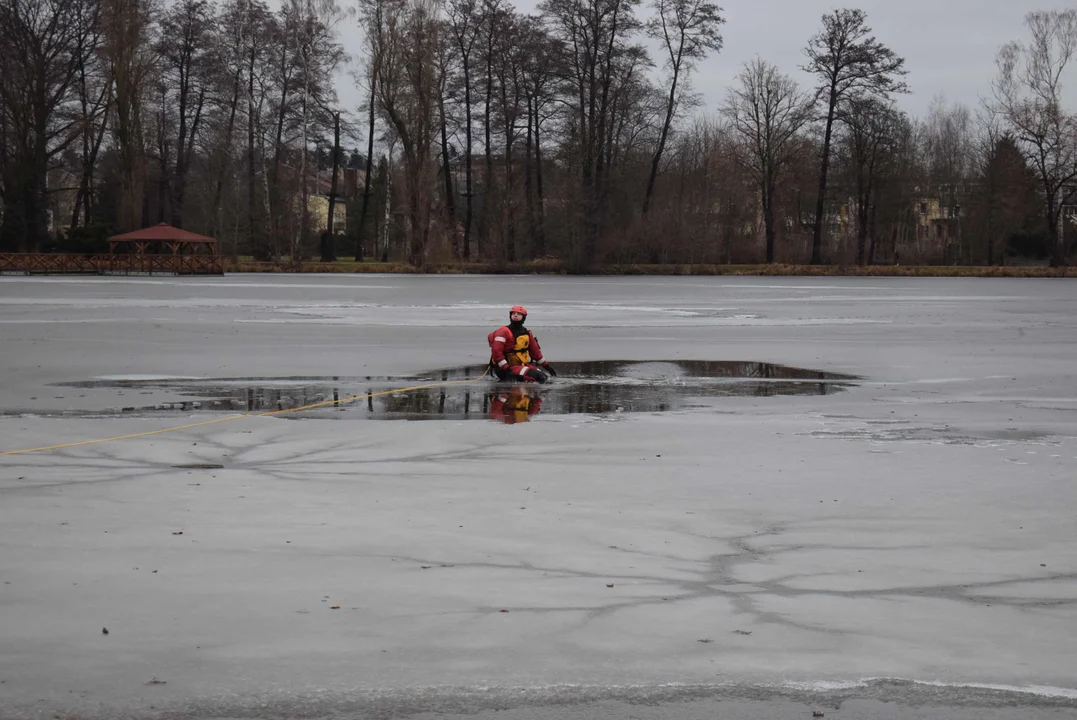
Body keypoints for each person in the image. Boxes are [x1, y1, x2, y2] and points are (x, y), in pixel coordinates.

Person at [488, 305, 557, 383]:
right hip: (506, 369)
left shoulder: (527, 333)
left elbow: (536, 353)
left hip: (521, 365)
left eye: (519, 314)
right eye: (513, 313)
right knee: (539, 377)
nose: (515, 315)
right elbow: (497, 352)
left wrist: (547, 366)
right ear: (510, 316)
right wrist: (507, 369)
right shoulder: (503, 331)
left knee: (543, 376)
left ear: (524, 317)